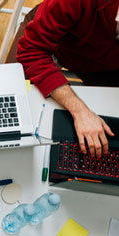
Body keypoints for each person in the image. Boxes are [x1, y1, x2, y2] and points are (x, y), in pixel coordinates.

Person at [11, 0, 119, 158]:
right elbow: (31, 51)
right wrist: (80, 111)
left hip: (106, 62)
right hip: (56, 41)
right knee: (14, 110)